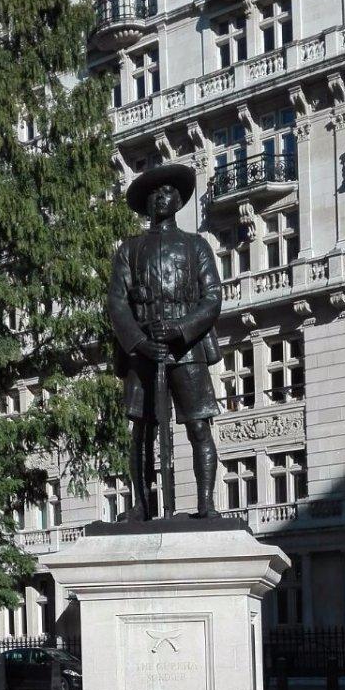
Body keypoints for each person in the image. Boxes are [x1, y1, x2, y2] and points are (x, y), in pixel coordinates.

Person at [108, 162, 222, 520]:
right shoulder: (129, 250)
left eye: (168, 191)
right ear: (146, 203)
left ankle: (206, 503)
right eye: (154, 193)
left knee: (199, 425)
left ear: (179, 200)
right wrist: (139, 342)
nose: (161, 197)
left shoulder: (196, 245)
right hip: (143, 352)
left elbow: (212, 297)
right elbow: (117, 303)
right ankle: (142, 505)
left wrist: (180, 328)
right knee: (142, 431)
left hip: (187, 349)